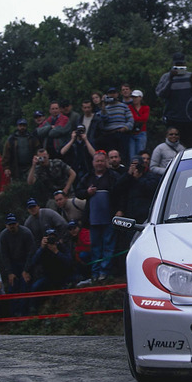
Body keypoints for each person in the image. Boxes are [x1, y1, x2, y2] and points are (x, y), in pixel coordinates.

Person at [77, 151, 120, 280]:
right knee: (95, 247)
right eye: (97, 161)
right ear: (93, 163)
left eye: (102, 161)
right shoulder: (87, 177)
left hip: (109, 218)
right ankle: (95, 273)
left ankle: (104, 272)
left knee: (109, 246)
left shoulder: (113, 176)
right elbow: (78, 192)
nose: (99, 163)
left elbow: (120, 193)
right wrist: (87, 192)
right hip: (93, 219)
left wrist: (119, 210)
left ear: (106, 162)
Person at [155, 54, 192, 148]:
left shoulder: (191, 76)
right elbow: (161, 94)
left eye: (181, 65)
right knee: (172, 146)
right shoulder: (166, 77)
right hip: (173, 118)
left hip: (189, 118)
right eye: (177, 65)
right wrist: (170, 79)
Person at [0, 213, 35, 307]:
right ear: (6, 225)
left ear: (17, 223)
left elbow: (31, 252)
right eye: (9, 225)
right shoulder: (3, 236)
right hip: (12, 262)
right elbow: (4, 255)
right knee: (12, 286)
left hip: (25, 261)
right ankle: (14, 313)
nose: (12, 226)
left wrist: (26, 270)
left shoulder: (26, 233)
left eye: (13, 224)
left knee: (25, 285)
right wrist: (10, 272)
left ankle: (26, 312)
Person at [95, 87, 134, 160]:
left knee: (123, 155)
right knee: (111, 156)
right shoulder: (106, 108)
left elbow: (131, 120)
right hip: (109, 134)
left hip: (121, 133)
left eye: (114, 93)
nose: (112, 95)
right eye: (110, 93)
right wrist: (103, 105)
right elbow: (103, 119)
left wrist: (126, 127)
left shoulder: (124, 106)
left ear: (117, 94)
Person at [127, 90, 149, 159]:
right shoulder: (129, 107)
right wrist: (138, 118)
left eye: (136, 97)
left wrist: (134, 118)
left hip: (141, 132)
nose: (134, 99)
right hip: (131, 132)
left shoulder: (146, 108)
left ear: (140, 98)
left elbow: (144, 119)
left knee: (141, 154)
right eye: (133, 97)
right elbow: (129, 118)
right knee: (132, 155)